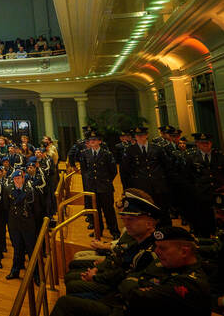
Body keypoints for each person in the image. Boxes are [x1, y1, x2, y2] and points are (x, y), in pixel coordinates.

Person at [50, 226, 209, 316]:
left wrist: (134, 285)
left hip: (126, 309)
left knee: (66, 304)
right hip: (120, 302)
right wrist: (134, 284)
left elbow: (136, 295)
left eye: (163, 248)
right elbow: (131, 279)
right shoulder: (168, 264)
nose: (157, 251)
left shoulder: (190, 283)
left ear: (184, 251)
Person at [80, 130, 120, 239]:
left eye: (94, 139)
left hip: (105, 187)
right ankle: (98, 230)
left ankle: (114, 231)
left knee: (108, 211)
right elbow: (85, 170)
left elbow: (113, 171)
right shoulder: (85, 154)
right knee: (95, 211)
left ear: (100, 141)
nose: (92, 141)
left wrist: (105, 181)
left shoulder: (107, 154)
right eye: (90, 140)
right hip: (92, 188)